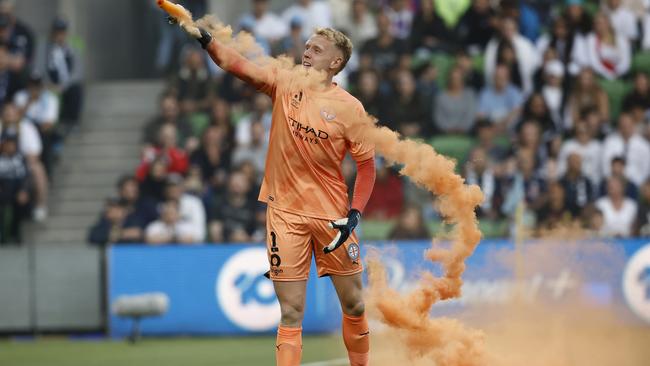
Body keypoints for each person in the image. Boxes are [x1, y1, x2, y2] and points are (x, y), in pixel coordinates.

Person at [174, 18, 376, 366]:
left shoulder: (350, 108)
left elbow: (367, 167)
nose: (306, 53)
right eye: (307, 46)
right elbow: (237, 65)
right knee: (291, 310)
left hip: (332, 217)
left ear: (336, 62)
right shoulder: (285, 83)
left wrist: (354, 213)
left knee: (355, 304)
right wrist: (206, 39)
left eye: (316, 49)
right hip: (284, 214)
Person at [46, 17, 83, 132]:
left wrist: (64, 85)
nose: (60, 35)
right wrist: (49, 84)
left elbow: (78, 70)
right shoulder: (46, 48)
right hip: (50, 84)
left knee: (76, 88)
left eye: (62, 32)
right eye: (57, 31)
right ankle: (56, 127)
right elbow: (40, 69)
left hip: (67, 83)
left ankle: (71, 122)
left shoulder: (73, 47)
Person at [433, 65, 477, 134]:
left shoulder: (470, 94)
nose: (455, 81)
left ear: (462, 79)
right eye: (453, 78)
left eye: (458, 78)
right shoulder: (441, 96)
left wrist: (462, 129)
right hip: (445, 133)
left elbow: (470, 116)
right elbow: (438, 118)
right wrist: (449, 129)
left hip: (466, 132)